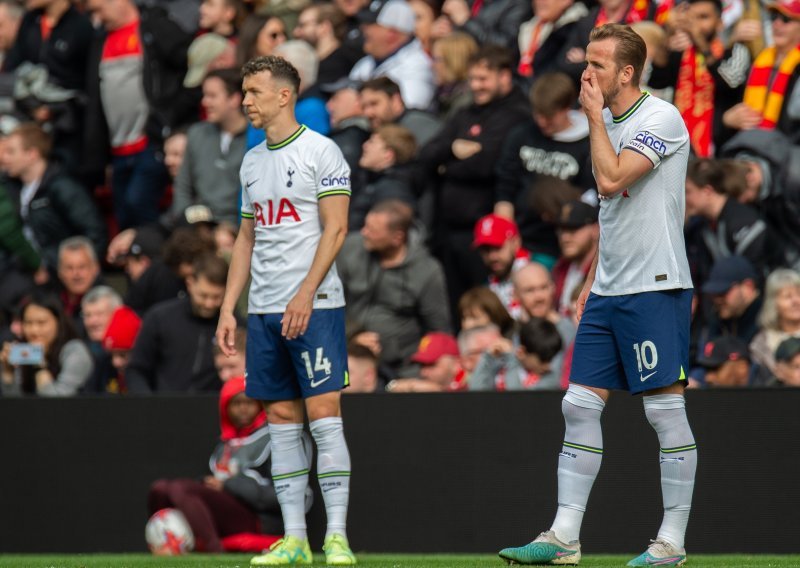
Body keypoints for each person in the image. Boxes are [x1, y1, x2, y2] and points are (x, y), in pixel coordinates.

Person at [499, 24, 697, 567]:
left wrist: (590, 118)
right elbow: (612, 214)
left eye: (599, 65)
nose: (586, 74)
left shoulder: (661, 118)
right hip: (610, 289)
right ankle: (564, 538)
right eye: (586, 61)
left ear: (628, 71)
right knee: (579, 405)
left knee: (664, 414)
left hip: (655, 286)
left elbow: (612, 182)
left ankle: (671, 543)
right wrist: (590, 280)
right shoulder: (607, 121)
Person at [215, 55, 356, 565]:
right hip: (264, 310)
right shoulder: (252, 162)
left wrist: (305, 292)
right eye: (243, 91)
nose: (245, 100)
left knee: (324, 417)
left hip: (315, 305)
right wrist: (229, 308)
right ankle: (295, 538)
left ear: (283, 95)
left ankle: (336, 537)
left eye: (253, 91)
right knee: (279, 421)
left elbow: (336, 229)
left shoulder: (323, 152)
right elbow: (246, 238)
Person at [148, 377, 314, 552]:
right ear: (225, 408)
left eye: (249, 402)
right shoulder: (223, 446)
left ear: (260, 404)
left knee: (180, 488)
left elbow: (300, 496)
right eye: (236, 404)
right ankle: (164, 542)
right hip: (223, 516)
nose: (243, 409)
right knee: (160, 489)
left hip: (259, 518)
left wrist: (228, 485)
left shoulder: (275, 440)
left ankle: (214, 550)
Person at [420, 45, 530, 309]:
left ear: (504, 76)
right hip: (448, 230)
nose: (476, 86)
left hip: (486, 236)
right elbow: (427, 153)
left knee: (486, 305)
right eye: (472, 79)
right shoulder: (466, 112)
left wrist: (446, 166)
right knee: (457, 306)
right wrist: (454, 150)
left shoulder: (518, 114)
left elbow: (486, 164)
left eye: (483, 79)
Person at [337, 199, 452, 375]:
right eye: (365, 225)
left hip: (401, 364)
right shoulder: (350, 249)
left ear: (397, 237)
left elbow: (439, 331)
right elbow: (328, 301)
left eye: (372, 230)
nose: (364, 233)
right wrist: (353, 335)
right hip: (348, 353)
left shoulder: (427, 271)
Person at [494, 72, 594, 263]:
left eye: (549, 116)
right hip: (520, 238)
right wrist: (506, 237)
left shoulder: (586, 142)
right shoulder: (522, 134)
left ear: (566, 108)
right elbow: (505, 188)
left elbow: (591, 193)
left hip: (560, 242)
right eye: (538, 114)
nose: (542, 122)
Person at [647, 0, 751, 156]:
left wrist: (700, 42)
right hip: (680, 144)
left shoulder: (735, 50)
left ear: (720, 23)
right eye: (692, 17)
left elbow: (730, 82)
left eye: (703, 17)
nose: (694, 24)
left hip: (721, 149)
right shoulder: (682, 51)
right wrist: (667, 33)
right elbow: (657, 81)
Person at [2, 123, 106, 271]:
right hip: (34, 273)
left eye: (11, 152)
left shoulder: (63, 187)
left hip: (61, 276)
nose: (4, 158)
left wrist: (73, 270)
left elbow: (96, 235)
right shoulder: (15, 188)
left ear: (32, 154)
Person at [126, 254, 228, 394]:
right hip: (163, 409)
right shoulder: (160, 318)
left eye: (217, 297)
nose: (209, 304)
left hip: (214, 410)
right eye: (203, 295)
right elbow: (136, 370)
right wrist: (148, 405)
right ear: (190, 283)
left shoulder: (233, 327)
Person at [171, 68, 248, 227]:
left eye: (212, 96)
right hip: (197, 225)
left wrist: (231, 231)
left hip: (239, 228)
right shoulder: (197, 134)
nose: (204, 102)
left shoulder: (255, 137)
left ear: (234, 99)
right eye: (204, 95)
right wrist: (191, 225)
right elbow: (183, 188)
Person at [0, 291, 93, 396]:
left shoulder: (75, 352)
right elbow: (13, 407)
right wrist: (8, 373)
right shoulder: (23, 350)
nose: (34, 331)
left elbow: (54, 406)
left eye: (41, 322)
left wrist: (39, 365)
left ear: (58, 322)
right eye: (28, 323)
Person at [348, 0, 435, 110]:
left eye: (370, 24)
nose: (364, 29)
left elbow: (408, 110)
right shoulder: (365, 63)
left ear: (391, 34)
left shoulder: (418, 66)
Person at [350, 124, 418, 231]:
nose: (365, 145)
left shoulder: (393, 189)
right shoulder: (370, 179)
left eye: (372, 142)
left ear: (388, 154)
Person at [469, 316, 564, 390]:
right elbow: (476, 393)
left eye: (551, 358)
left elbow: (517, 401)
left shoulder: (550, 379)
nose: (548, 365)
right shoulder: (502, 365)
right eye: (543, 359)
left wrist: (511, 359)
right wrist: (488, 357)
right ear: (522, 352)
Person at [472, 213, 530, 318]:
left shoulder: (537, 272)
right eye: (486, 250)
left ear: (516, 242)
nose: (492, 257)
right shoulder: (487, 286)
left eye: (497, 247)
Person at [358, 77, 442, 148]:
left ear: (395, 100)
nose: (368, 113)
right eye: (363, 107)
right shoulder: (371, 135)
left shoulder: (418, 124)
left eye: (374, 104)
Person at [749, 268, 800, 377]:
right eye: (788, 296)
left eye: (799, 294)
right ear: (773, 303)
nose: (796, 301)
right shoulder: (761, 344)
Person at [551, 200, 599, 317]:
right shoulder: (559, 269)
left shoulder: (603, 272)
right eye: (562, 230)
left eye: (573, 229)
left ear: (595, 229)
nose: (565, 237)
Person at [385, 331, 463, 392]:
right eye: (422, 365)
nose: (423, 372)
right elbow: (390, 386)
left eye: (431, 364)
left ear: (456, 364)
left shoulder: (470, 384)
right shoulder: (421, 383)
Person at [100, 304, 142, 394]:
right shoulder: (104, 368)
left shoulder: (146, 377)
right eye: (112, 355)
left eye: (123, 355)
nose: (116, 362)